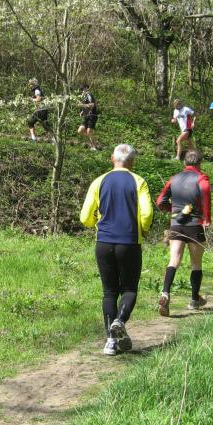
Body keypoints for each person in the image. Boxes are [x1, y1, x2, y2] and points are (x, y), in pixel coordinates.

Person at [80, 144, 153, 356]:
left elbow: (85, 217)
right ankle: (120, 321)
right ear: (132, 162)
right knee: (129, 289)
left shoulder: (99, 181)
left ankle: (110, 342)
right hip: (129, 242)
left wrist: (93, 223)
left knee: (109, 292)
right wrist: (143, 228)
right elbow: (147, 214)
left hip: (103, 242)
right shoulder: (138, 181)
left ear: (112, 158)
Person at [155, 150, 211, 315]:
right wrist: (207, 220)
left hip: (176, 224)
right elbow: (206, 197)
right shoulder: (201, 179)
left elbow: (160, 201)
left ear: (185, 163)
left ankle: (165, 293)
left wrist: (172, 210)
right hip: (195, 225)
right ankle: (194, 300)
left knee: (174, 260)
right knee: (196, 264)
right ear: (199, 163)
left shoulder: (173, 179)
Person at [77, 83, 99, 151]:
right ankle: (94, 142)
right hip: (86, 116)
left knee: (89, 131)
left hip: (92, 115)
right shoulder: (83, 97)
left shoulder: (89, 95)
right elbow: (84, 105)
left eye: (83, 89)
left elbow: (92, 105)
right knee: (80, 131)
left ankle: (94, 147)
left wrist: (82, 105)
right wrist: (82, 111)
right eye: (81, 90)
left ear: (86, 88)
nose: (82, 91)